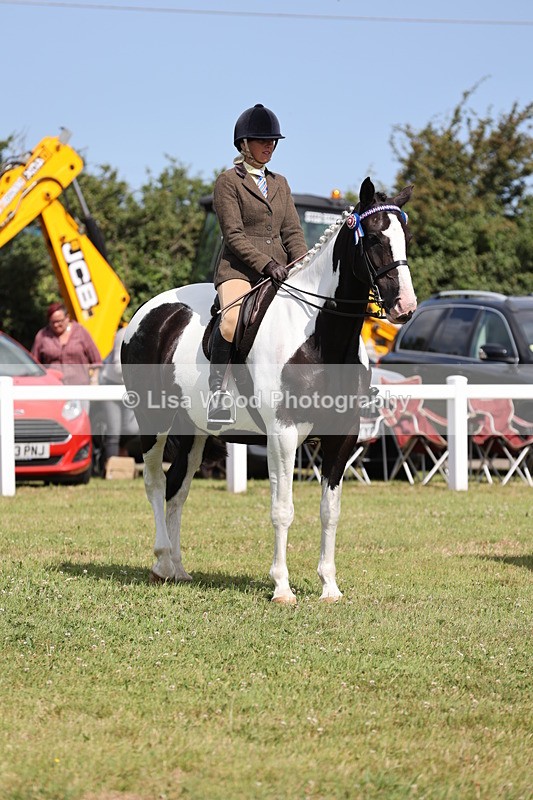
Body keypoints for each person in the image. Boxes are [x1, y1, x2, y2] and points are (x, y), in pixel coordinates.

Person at [208, 103, 308, 427]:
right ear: (244, 144)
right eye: (263, 140)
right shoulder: (228, 181)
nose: (270, 146)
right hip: (239, 270)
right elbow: (234, 235)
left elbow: (292, 231)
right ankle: (218, 394)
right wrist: (266, 264)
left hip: (279, 270)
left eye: (273, 141)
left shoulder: (281, 183)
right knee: (230, 322)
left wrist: (302, 264)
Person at [97, 326, 139, 473]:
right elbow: (117, 367)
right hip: (112, 385)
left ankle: (120, 451)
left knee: (131, 429)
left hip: (131, 388)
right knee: (113, 432)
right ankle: (110, 471)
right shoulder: (124, 334)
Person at [31, 302, 102, 387]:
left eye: (59, 321)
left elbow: (96, 361)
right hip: (53, 387)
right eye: (52, 322)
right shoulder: (42, 335)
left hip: (79, 387)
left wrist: (94, 380)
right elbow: (34, 363)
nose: (56, 325)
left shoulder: (81, 332)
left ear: (67, 318)